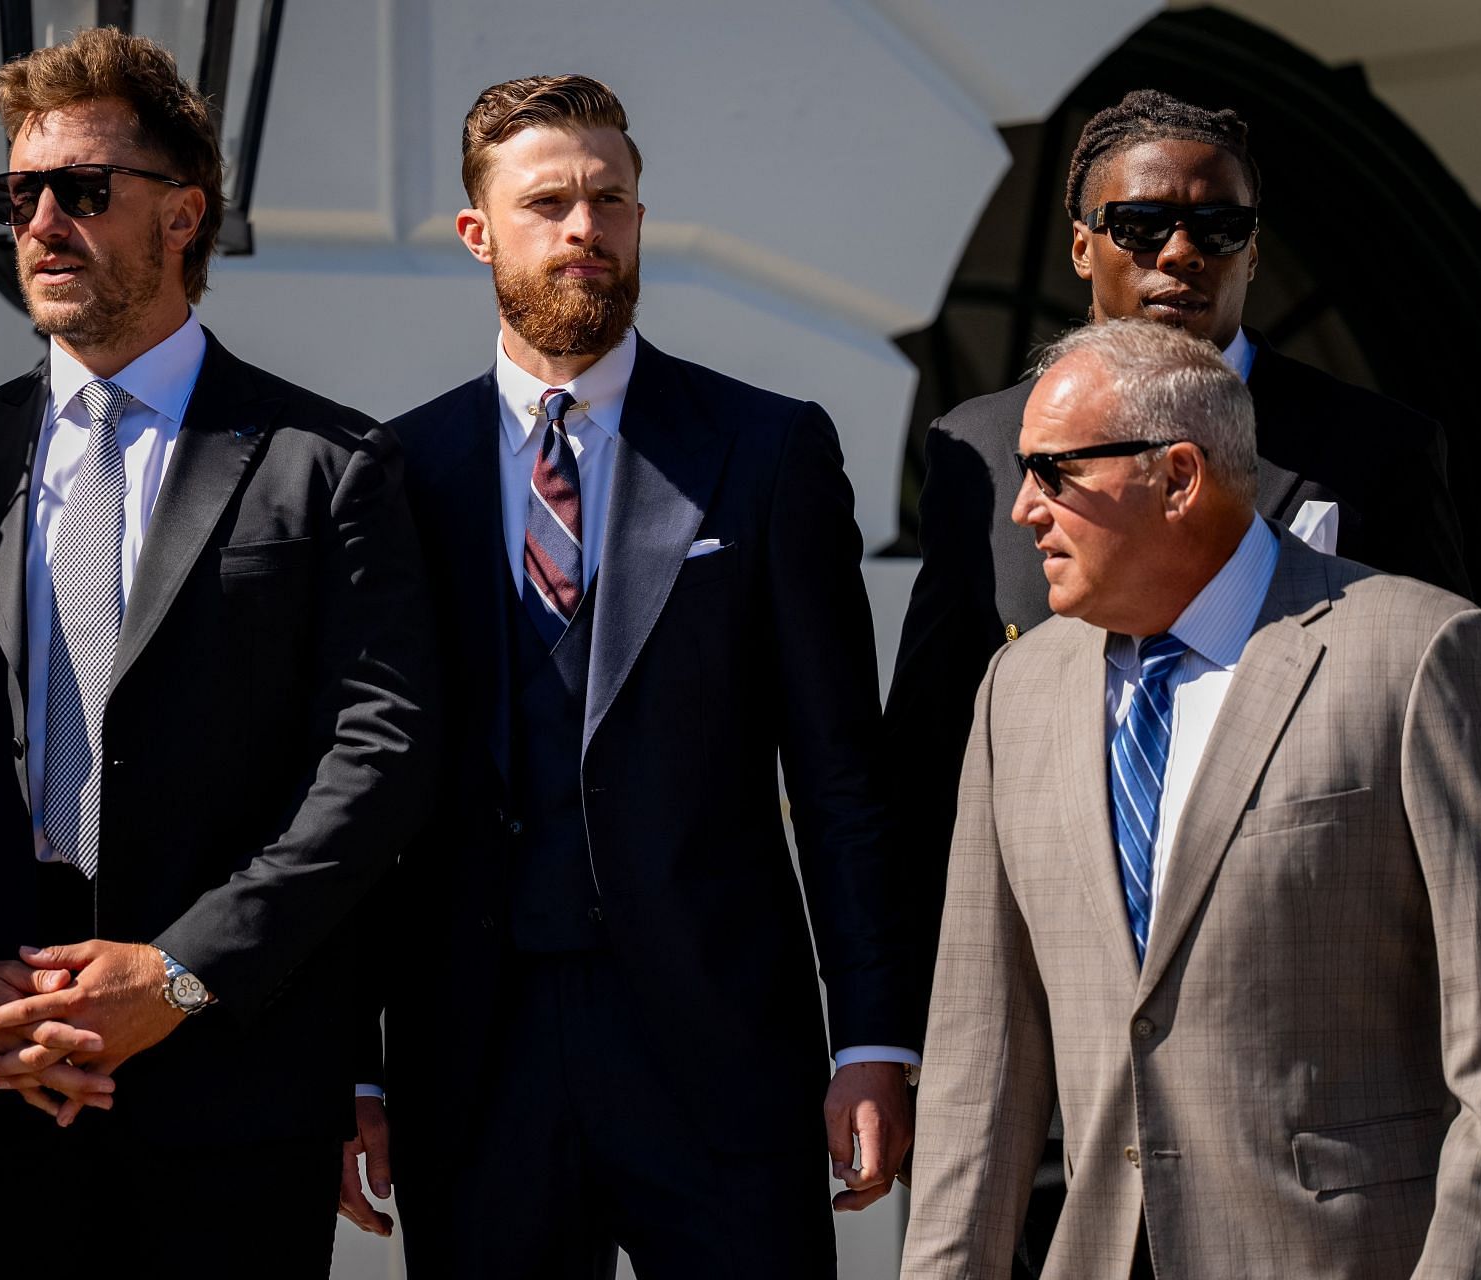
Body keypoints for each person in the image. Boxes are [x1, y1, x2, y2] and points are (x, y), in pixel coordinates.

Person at [0, 28, 437, 1278]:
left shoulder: (326, 462)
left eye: (83, 189)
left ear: (183, 214)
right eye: (22, 193)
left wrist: (177, 975)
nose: (43, 221)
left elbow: (378, 760)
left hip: (233, 1079)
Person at [882, 93, 1474, 1266]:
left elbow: (1449, 754)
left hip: (1312, 1140)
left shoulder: (1376, 449)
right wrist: (889, 1038)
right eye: (1142, 223)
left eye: (1218, 228)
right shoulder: (986, 454)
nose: (1180, 255)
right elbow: (926, 770)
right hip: (1078, 1120)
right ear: (1081, 242)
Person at [340, 74, 916, 1278]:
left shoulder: (765, 449)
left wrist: (873, 1034)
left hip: (721, 1053)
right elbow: (358, 795)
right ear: (478, 232)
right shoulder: (390, 472)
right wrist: (354, 1062)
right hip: (472, 1058)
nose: (584, 229)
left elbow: (841, 776)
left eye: (611, 199)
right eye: (547, 202)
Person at [899, 319, 1481, 1280]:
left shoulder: (1422, 656)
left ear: (1178, 476)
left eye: (1054, 472)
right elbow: (975, 1066)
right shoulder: (1017, 690)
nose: (1022, 510)